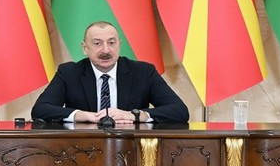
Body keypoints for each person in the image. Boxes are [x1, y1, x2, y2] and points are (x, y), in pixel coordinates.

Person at [32, 21, 188, 124]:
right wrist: (82, 115)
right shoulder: (69, 73)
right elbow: (40, 110)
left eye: (111, 43)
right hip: (82, 148)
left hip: (131, 148)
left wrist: (133, 115)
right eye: (97, 43)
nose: (106, 50)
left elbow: (179, 111)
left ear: (119, 45)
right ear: (85, 48)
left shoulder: (143, 72)